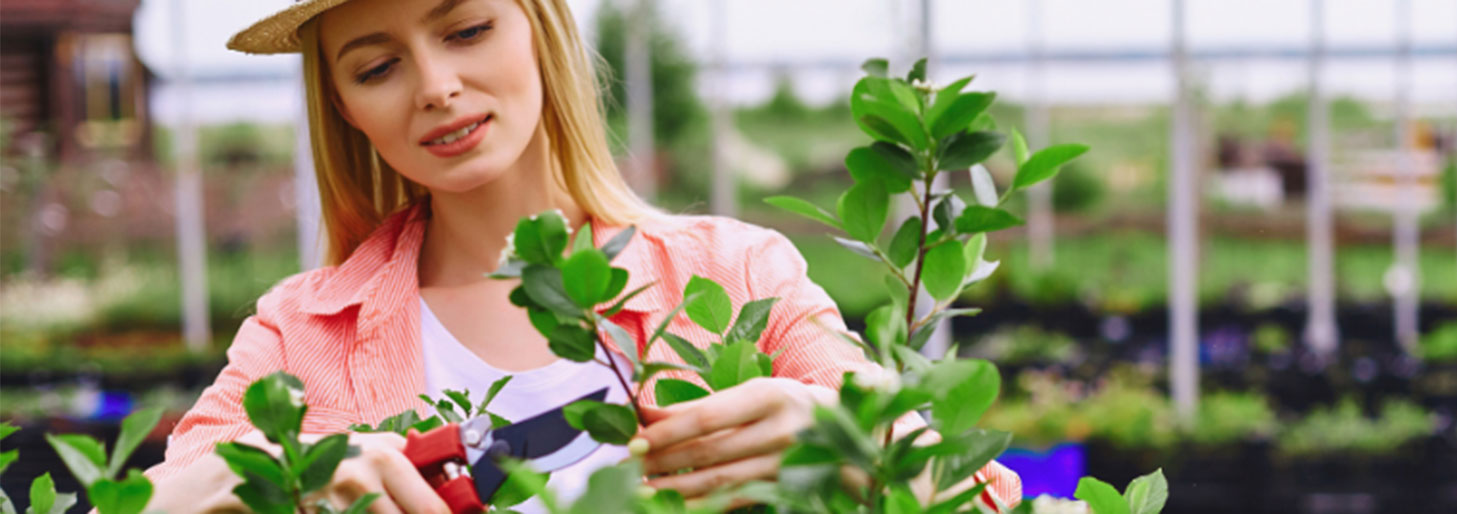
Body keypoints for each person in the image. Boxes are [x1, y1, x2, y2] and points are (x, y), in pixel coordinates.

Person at [141, 0, 1019, 511]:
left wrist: (854, 443)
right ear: (343, 107)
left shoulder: (734, 274)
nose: (437, 86)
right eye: (377, 68)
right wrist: (293, 480)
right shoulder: (305, 332)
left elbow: (978, 498)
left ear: (537, 24)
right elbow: (152, 500)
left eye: (467, 28)